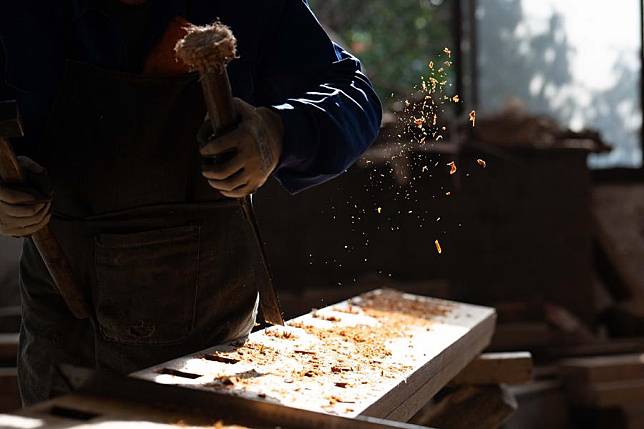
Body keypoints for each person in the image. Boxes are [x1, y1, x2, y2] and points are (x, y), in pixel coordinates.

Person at [0, 0, 381, 405]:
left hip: (201, 339)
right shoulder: (22, 12)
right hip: (58, 333)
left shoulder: (254, 8)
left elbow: (356, 98)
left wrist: (278, 133)